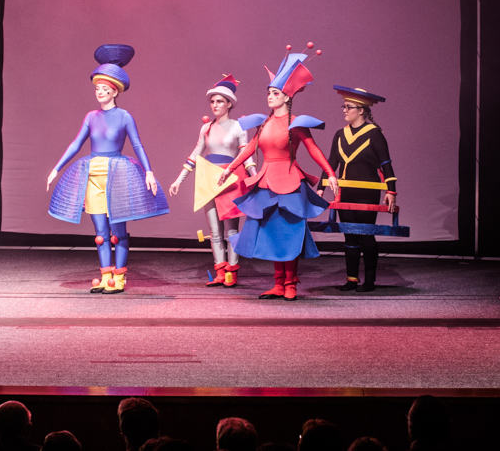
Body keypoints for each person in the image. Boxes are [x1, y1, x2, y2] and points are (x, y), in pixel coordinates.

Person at [218, 44, 338, 301]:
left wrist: (330, 173)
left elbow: (313, 149)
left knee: (289, 233)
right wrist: (229, 168)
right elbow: (250, 148)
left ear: (286, 97)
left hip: (290, 183)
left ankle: (291, 283)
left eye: (275, 93)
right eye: (269, 93)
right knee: (271, 232)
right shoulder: (264, 123)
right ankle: (278, 283)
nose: (270, 97)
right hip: (266, 183)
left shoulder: (296, 124)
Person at [47, 45, 169, 294]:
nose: (100, 92)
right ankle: (105, 276)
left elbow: (137, 144)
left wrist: (149, 171)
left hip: (117, 176)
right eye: (97, 88)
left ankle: (119, 277)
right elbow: (76, 143)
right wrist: (56, 168)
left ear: (115, 91)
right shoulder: (91, 116)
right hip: (93, 174)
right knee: (101, 233)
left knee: (118, 232)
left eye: (105, 89)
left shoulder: (124, 116)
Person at [169, 75, 257, 287]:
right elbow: (194, 155)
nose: (215, 105)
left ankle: (232, 273)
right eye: (212, 101)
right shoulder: (206, 128)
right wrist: (179, 180)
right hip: (209, 180)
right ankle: (220, 271)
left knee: (231, 231)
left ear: (229, 104)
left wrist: (255, 177)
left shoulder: (238, 127)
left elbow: (246, 155)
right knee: (214, 231)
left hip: (231, 180)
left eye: (219, 101)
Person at [318, 86, 396, 292]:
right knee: (349, 235)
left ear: (361, 110)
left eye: (349, 107)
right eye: (343, 106)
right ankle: (352, 278)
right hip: (345, 192)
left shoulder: (374, 134)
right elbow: (331, 163)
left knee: (366, 234)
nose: (344, 110)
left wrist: (391, 191)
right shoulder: (340, 134)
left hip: (367, 193)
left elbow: (386, 164)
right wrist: (321, 187)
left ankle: (369, 281)